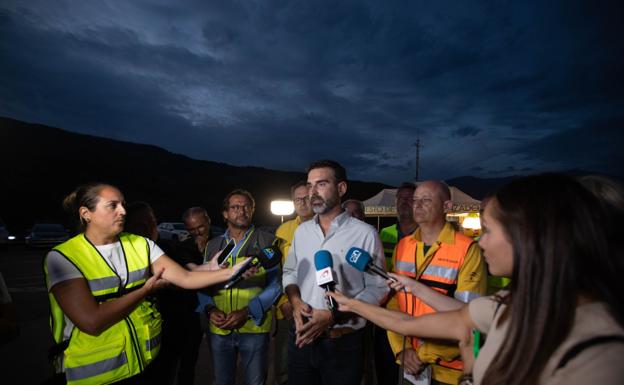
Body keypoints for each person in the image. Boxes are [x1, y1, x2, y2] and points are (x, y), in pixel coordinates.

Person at [328, 173, 624, 385]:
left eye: (490, 230)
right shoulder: (503, 305)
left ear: (530, 238)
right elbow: (405, 322)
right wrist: (352, 304)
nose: (480, 241)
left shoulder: (600, 354)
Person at [43, 183, 246, 384]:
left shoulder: (141, 244)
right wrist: (144, 290)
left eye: (123, 204)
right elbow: (92, 322)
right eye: (112, 205)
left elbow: (185, 278)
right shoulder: (63, 257)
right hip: (96, 374)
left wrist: (227, 271)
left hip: (144, 364)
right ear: (86, 213)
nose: (123, 211)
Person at [282, 160, 388, 385]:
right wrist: (294, 299)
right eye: (310, 186)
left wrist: (334, 315)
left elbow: (378, 288)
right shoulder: (302, 232)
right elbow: (290, 271)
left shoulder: (365, 234)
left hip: (344, 343)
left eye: (321, 184)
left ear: (341, 189)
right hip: (301, 338)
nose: (313, 192)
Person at [386, 180, 487, 385]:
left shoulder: (467, 249)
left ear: (447, 207)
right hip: (408, 363)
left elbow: (468, 319)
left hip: (449, 371)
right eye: (415, 200)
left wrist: (423, 354)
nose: (417, 205)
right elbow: (397, 302)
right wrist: (401, 349)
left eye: (426, 200)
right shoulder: (403, 246)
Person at [196, 189, 281, 385]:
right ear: (225, 214)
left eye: (246, 207)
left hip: (254, 326)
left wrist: (248, 311)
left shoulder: (268, 241)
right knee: (221, 381)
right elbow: (201, 282)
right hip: (220, 327)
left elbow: (276, 284)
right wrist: (209, 308)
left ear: (252, 211)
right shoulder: (213, 245)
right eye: (235, 207)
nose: (241, 211)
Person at [375, 182, 417, 385]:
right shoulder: (384, 234)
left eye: (410, 198)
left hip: (414, 315)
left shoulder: (424, 235)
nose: (404, 202)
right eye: (401, 198)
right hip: (386, 313)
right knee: (385, 369)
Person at [273, 181, 314, 385]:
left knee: (314, 366)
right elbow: (276, 271)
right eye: (298, 198)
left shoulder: (326, 226)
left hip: (316, 309)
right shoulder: (283, 230)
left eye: (306, 197)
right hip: (288, 307)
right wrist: (283, 301)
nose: (303, 202)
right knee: (283, 366)